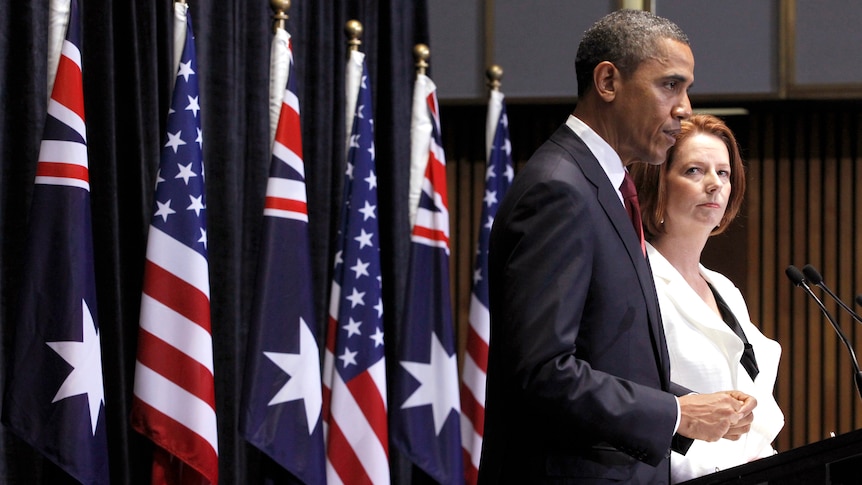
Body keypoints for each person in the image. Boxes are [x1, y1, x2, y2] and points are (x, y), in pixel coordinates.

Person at [478, 10, 757, 484]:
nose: (685, 106)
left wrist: (686, 405)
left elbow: (607, 358)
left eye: (686, 89)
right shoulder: (560, 189)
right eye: (670, 85)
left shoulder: (605, 186)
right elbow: (542, 372)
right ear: (608, 81)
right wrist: (674, 414)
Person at [630, 114, 784, 483]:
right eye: (695, 171)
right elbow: (635, 402)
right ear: (658, 184)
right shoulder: (637, 280)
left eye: (724, 173)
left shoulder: (724, 289)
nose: (715, 184)